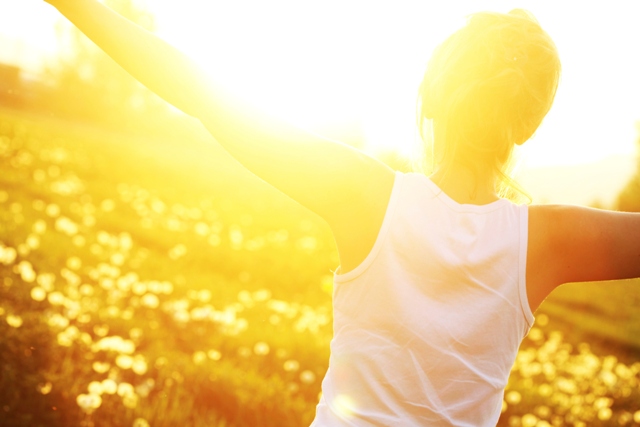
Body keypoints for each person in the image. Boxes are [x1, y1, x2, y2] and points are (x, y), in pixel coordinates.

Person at [42, 1, 640, 426]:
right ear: (529, 123)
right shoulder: (552, 238)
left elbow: (202, 93)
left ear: (430, 97)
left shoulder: (365, 193)